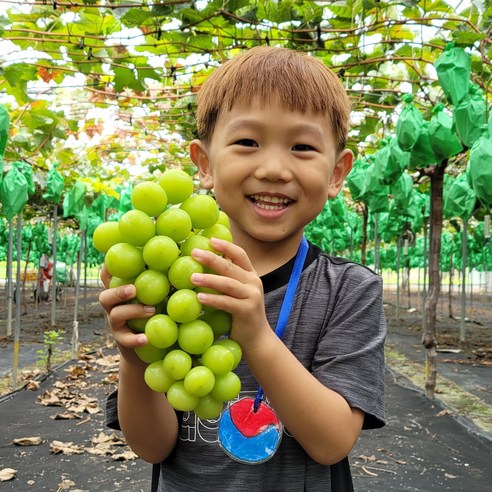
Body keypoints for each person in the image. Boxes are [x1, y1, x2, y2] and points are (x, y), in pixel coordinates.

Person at [100, 46, 386, 491]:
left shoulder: (350, 289)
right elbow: (152, 447)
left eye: (303, 147)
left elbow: (331, 444)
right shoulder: (171, 279)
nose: (273, 169)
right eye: (247, 142)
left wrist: (254, 333)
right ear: (205, 164)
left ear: (337, 173)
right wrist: (134, 358)